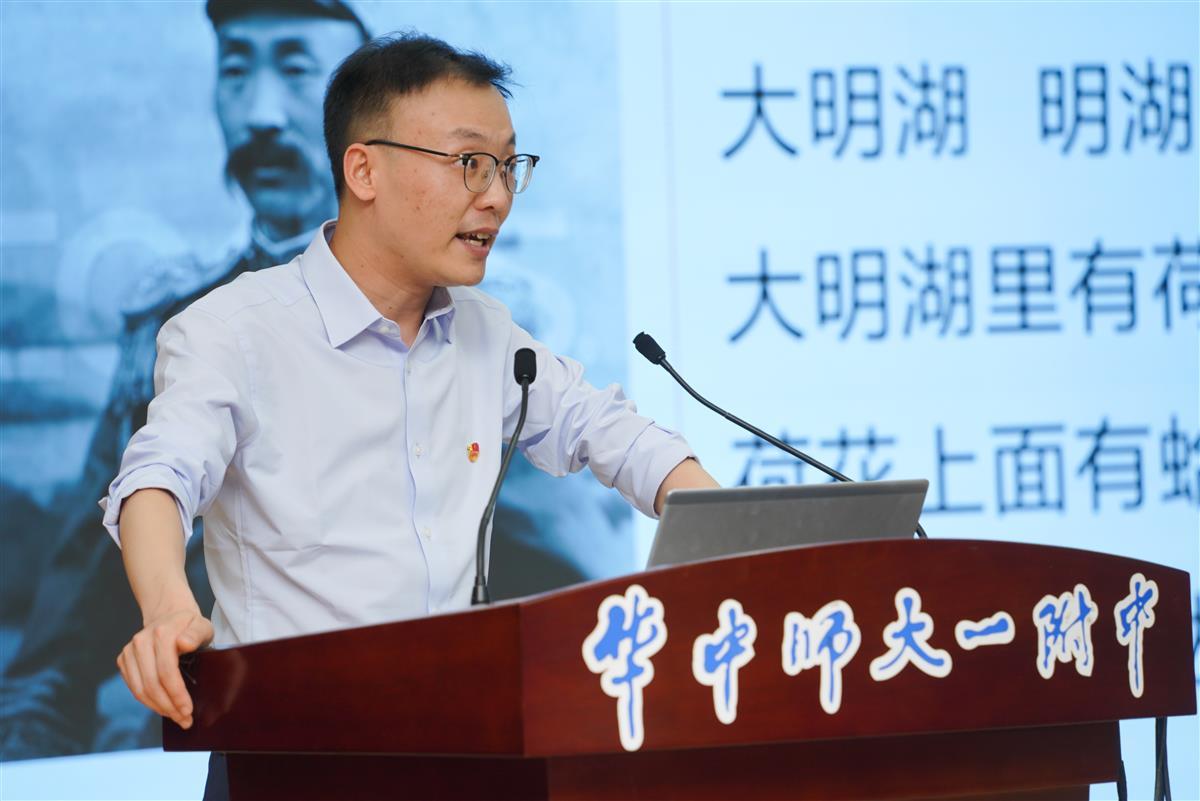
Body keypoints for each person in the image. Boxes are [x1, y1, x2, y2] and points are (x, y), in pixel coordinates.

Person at [104, 34, 718, 770]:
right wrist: (169, 608)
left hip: (458, 747)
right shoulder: (233, 330)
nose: (496, 196)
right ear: (363, 170)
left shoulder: (486, 331)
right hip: (292, 756)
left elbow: (610, 432)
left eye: (507, 166)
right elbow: (158, 478)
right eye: (468, 164)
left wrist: (739, 527)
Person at [0, 0, 368, 760]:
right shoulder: (177, 326)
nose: (260, 113)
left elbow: (558, 584)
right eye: (235, 72)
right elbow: (66, 632)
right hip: (209, 750)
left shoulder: (455, 328)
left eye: (296, 69)